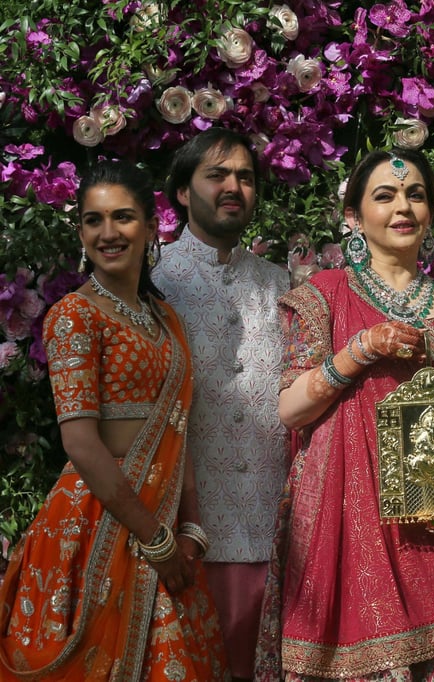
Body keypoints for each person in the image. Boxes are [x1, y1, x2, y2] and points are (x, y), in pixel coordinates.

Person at [253, 149, 434, 680]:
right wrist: (359, 350)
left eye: (415, 195)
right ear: (353, 217)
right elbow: (292, 408)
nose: (403, 207)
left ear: (431, 212)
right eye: (385, 196)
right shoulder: (322, 297)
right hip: (347, 522)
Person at [0, 161, 229, 678]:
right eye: (93, 220)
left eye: (123, 218)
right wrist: (155, 538)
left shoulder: (166, 318)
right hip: (97, 521)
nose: (108, 233)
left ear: (151, 227)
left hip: (164, 520)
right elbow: (81, 444)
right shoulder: (73, 316)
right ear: (81, 232)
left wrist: (188, 523)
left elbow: (178, 425)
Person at [151, 128, 290, 681]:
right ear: (183, 191)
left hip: (276, 529)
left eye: (246, 177)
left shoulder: (282, 284)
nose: (234, 186)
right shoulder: (152, 284)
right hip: (188, 538)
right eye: (217, 175)